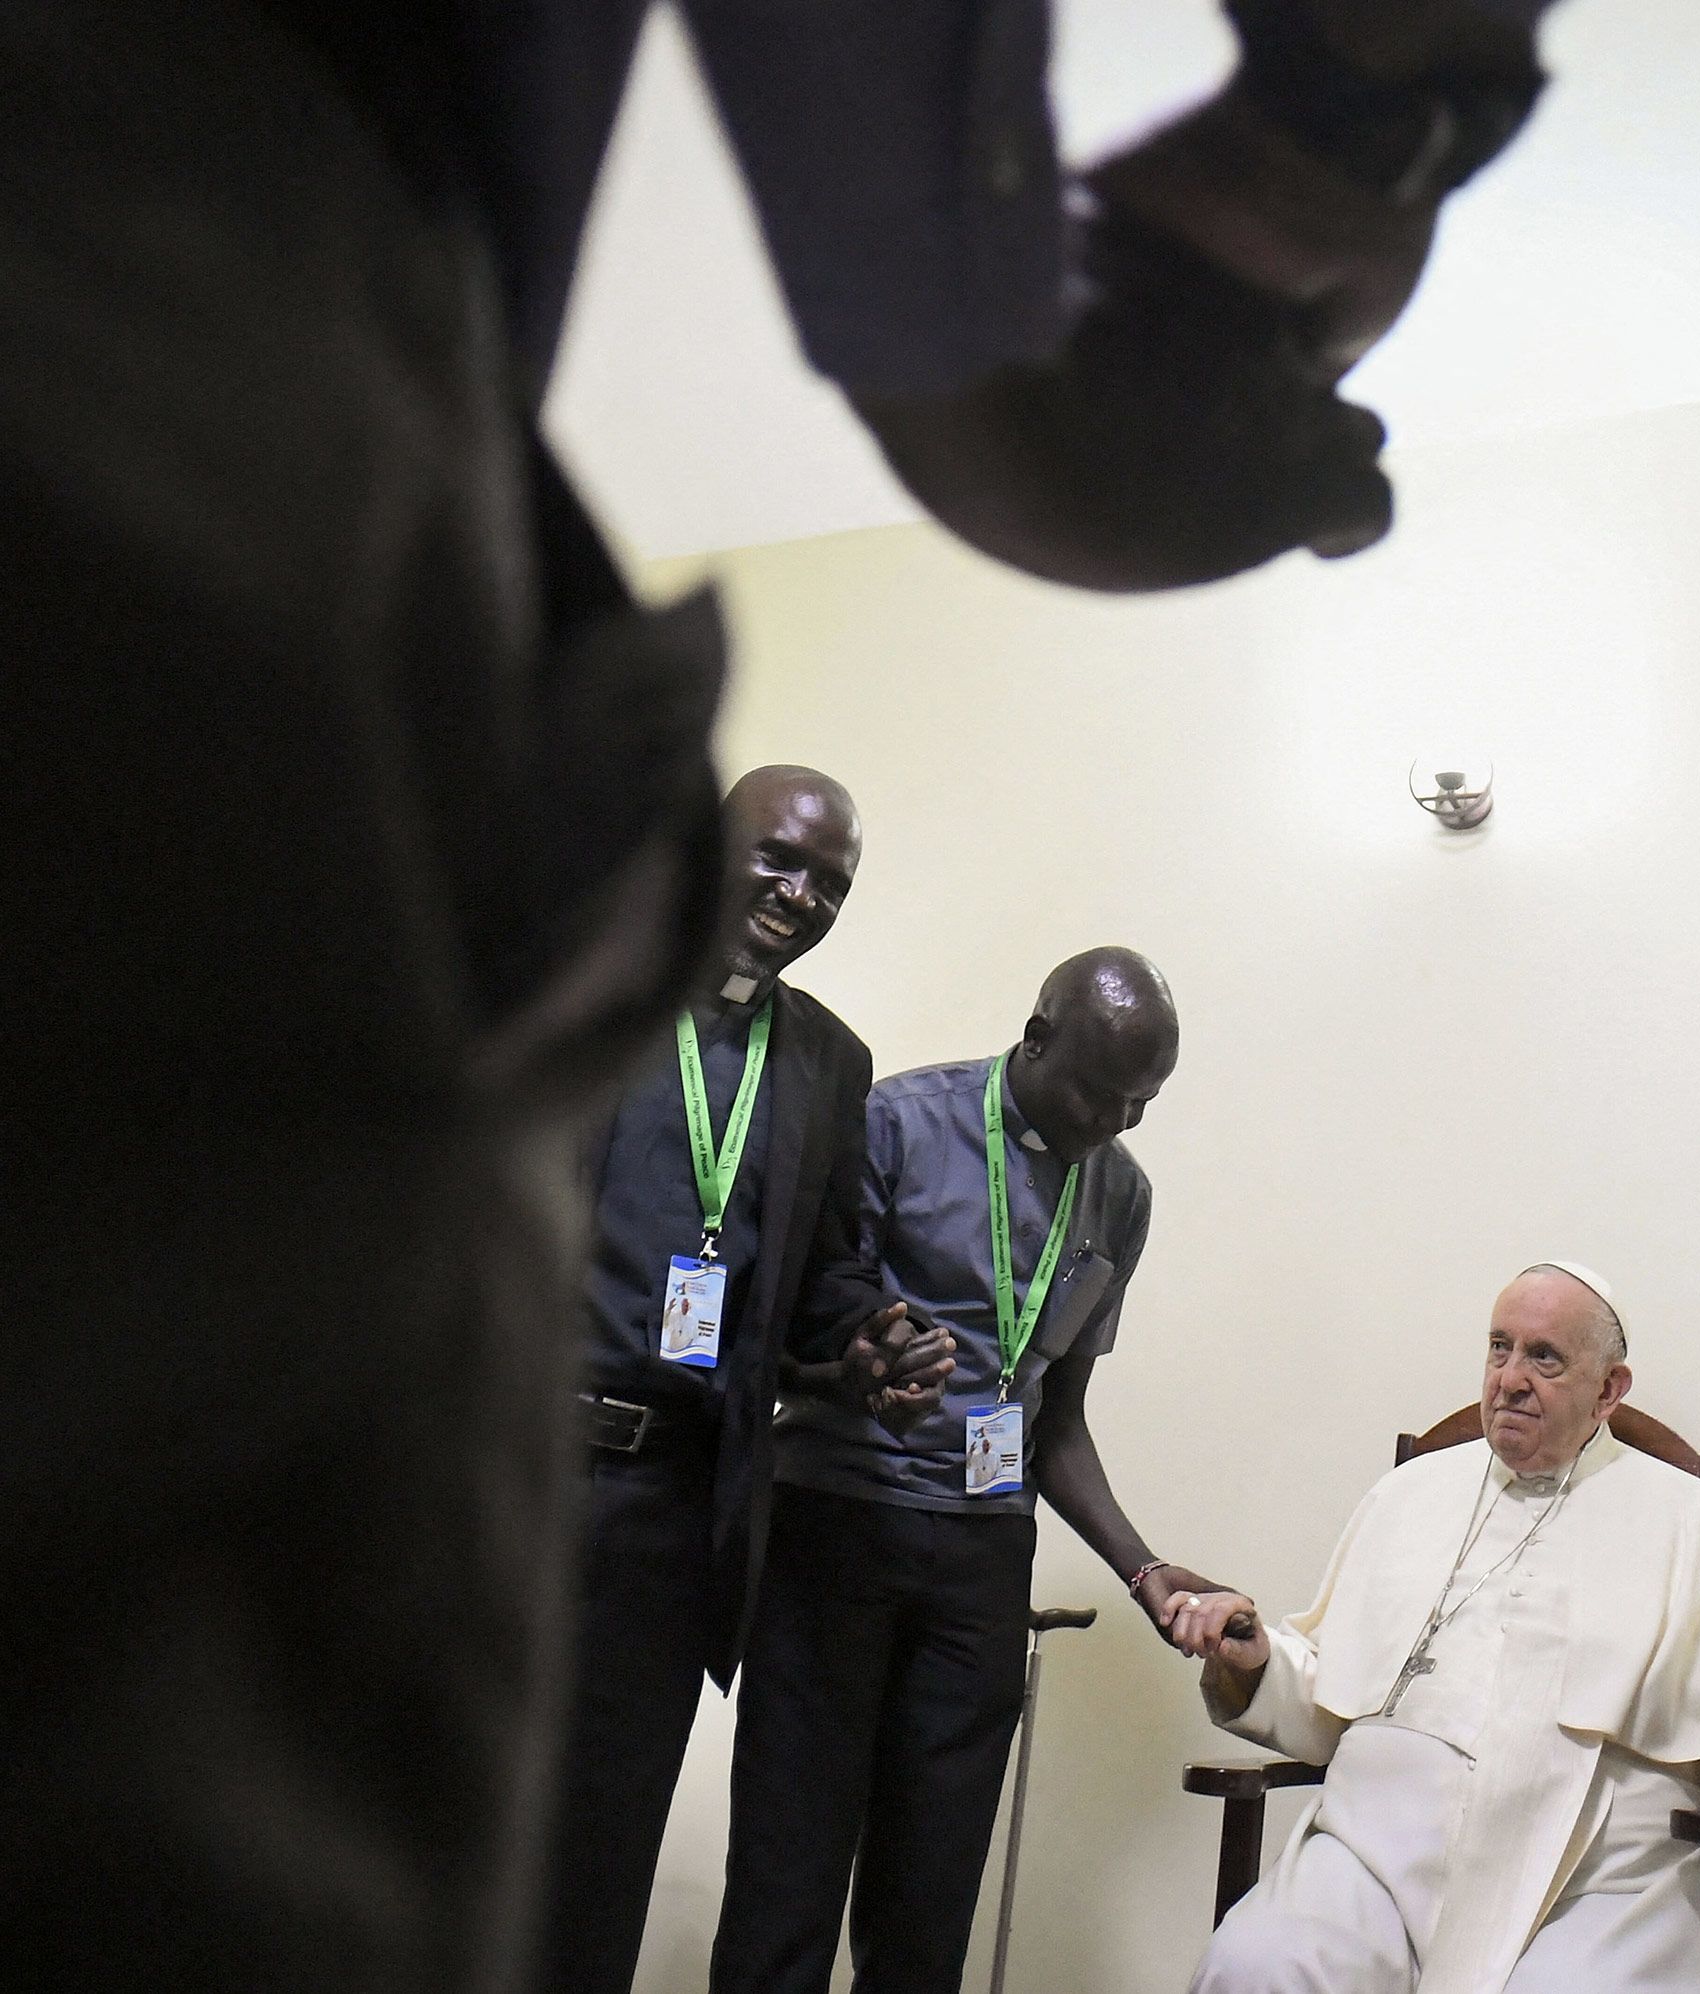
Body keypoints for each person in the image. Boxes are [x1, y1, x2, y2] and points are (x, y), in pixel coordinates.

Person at [4, 5, 1561, 1989]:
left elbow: (970, 1354)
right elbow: (982, 355)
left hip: (698, 1487)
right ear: (1029, 1044)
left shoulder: (876, 1090)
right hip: (187, 457)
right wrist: (1319, 162)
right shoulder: (865, 1089)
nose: (798, 892)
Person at [711, 947, 1218, 1994]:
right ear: (1034, 1040)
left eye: (1142, 1102)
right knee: (786, 1880)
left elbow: (1054, 1414)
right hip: (835, 1528)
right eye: (1101, 1089)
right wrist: (857, 1363)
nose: (1117, 1121)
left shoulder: (1121, 1194)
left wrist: (1142, 1565)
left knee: (928, 1900)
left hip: (981, 1559)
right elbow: (794, 1336)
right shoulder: (894, 1123)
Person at [537, 766, 958, 1994]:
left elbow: (826, 1277)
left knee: (601, 1846)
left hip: (675, 1506)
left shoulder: (829, 1059)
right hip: (510, 1472)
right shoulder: (577, 975)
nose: (800, 893)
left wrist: (869, 1342)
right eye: (777, 857)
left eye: (830, 881)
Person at [1172, 1263, 1700, 1994]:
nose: (1508, 1379)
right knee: (1256, 1968)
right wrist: (1254, 1662)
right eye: (1498, 1348)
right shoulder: (1405, 1497)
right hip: (1371, 1860)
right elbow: (1327, 1700)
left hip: (1598, 1883)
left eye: (1544, 1357)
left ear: (1609, 1389)